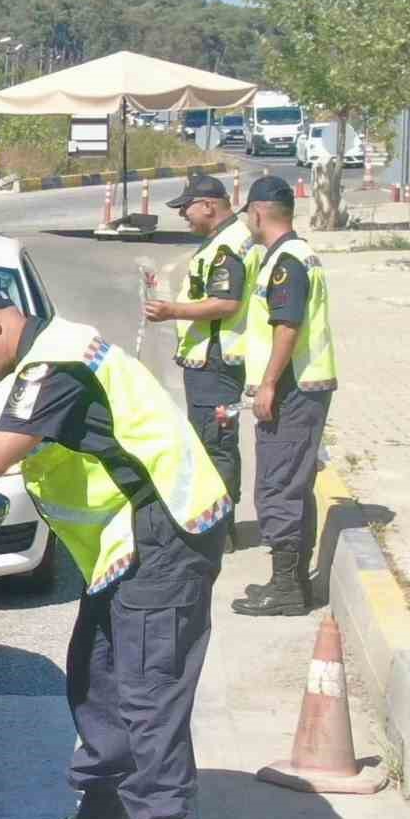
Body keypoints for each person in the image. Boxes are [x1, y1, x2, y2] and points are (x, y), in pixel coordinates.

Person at [0, 282, 231, 819]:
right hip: (127, 546)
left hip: (166, 535)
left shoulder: (54, 365)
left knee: (146, 690)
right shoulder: (50, 359)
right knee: (96, 679)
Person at [232, 175, 337, 617]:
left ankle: (288, 588)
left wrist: (270, 383)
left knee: (278, 487)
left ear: (258, 212)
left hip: (292, 389)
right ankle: (292, 582)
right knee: (293, 484)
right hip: (301, 387)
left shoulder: (286, 262)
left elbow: (287, 327)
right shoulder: (291, 254)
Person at [142, 174, 260, 549]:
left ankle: (220, 529)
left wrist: (172, 310)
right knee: (213, 441)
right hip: (211, 364)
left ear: (209, 205)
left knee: (216, 444)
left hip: (217, 365)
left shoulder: (227, 247)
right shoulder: (225, 241)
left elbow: (227, 303)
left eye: (187, 208)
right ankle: (219, 523)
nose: (183, 217)